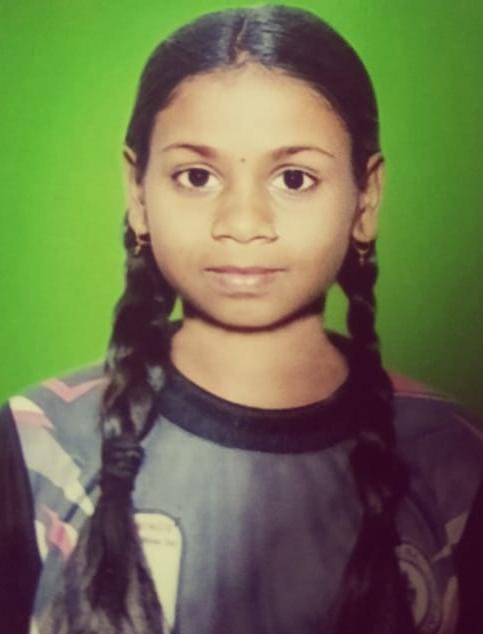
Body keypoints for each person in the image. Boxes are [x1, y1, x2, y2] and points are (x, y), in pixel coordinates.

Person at [1, 5, 482, 634]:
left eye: (294, 178)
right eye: (197, 176)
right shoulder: (36, 445)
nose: (243, 222)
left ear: (365, 198)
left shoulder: (456, 457)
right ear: (138, 191)